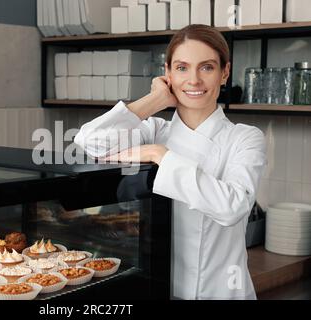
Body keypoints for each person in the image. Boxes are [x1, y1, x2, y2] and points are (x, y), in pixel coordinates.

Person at [74, 24, 267, 300]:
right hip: (159, 288)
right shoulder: (155, 129)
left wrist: (160, 155)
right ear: (167, 73)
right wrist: (155, 100)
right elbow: (89, 140)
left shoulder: (244, 138)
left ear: (225, 73)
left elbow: (232, 208)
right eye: (182, 68)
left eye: (207, 67)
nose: (194, 80)